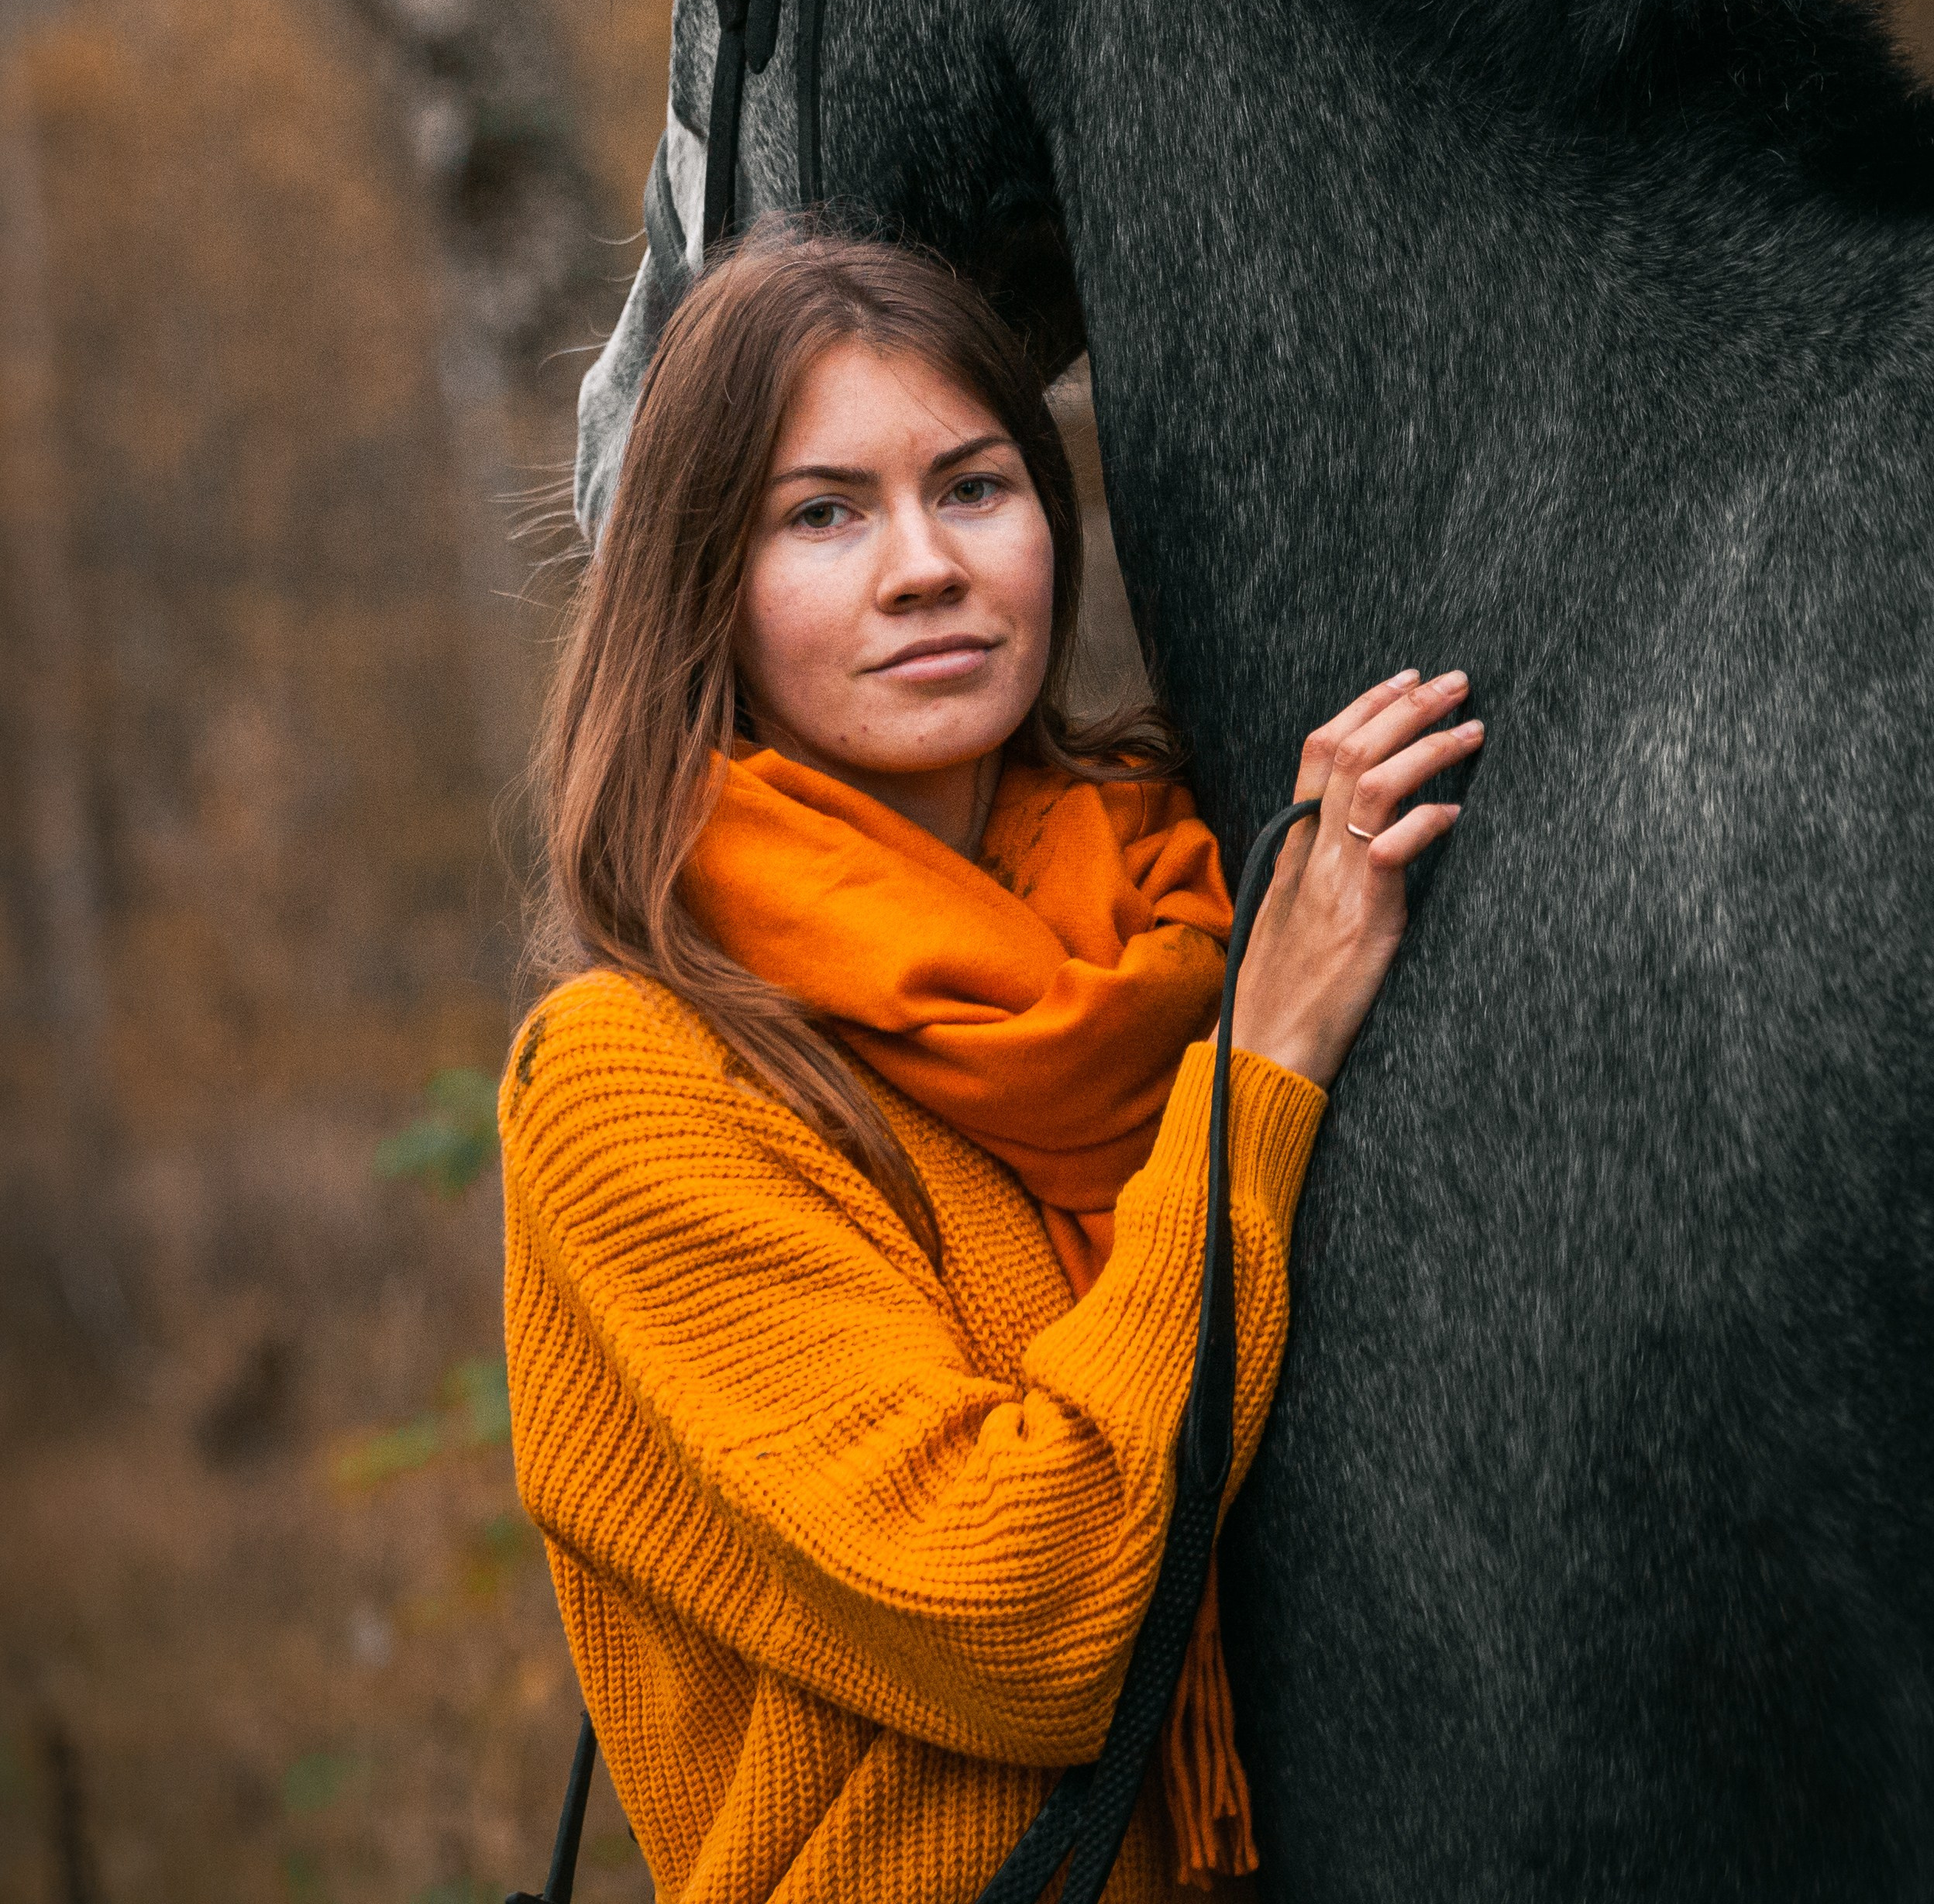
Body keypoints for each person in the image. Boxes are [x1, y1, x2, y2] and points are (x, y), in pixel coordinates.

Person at [501, 221, 1482, 1904]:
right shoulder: (635, 1082)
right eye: (822, 514)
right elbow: (1029, 1616)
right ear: (698, 589)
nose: (924, 566)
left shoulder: (1186, 913)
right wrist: (1264, 1067)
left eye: (973, 487)